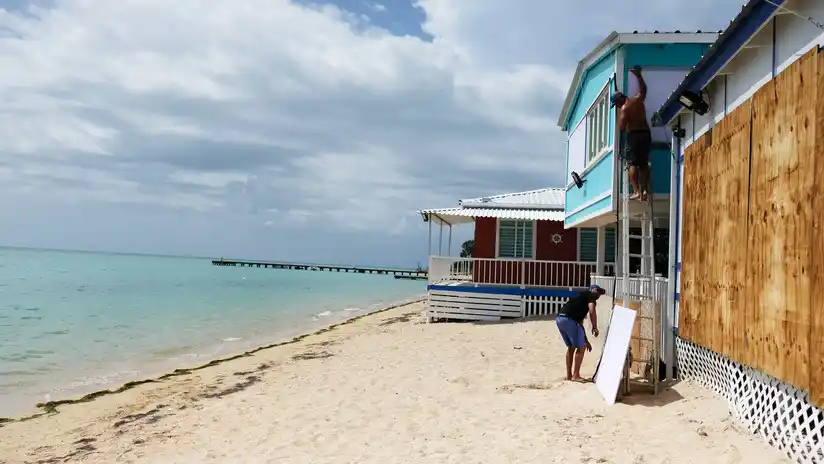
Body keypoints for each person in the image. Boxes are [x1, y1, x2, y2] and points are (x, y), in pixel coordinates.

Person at [611, 66, 651, 201]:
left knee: (632, 164)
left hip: (634, 136)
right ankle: (645, 190)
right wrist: (639, 76)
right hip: (645, 133)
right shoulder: (637, 100)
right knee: (644, 163)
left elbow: (622, 126)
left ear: (619, 100)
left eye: (615, 103)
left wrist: (623, 125)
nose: (616, 106)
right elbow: (644, 91)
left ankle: (636, 191)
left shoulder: (624, 109)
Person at [556, 285, 604, 381]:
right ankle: (576, 375)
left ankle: (569, 375)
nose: (599, 295)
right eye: (598, 292)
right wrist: (594, 327)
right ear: (593, 290)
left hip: (560, 319)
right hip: (570, 320)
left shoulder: (579, 299)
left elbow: (579, 326)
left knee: (571, 347)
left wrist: (585, 340)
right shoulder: (590, 296)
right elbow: (592, 311)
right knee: (581, 347)